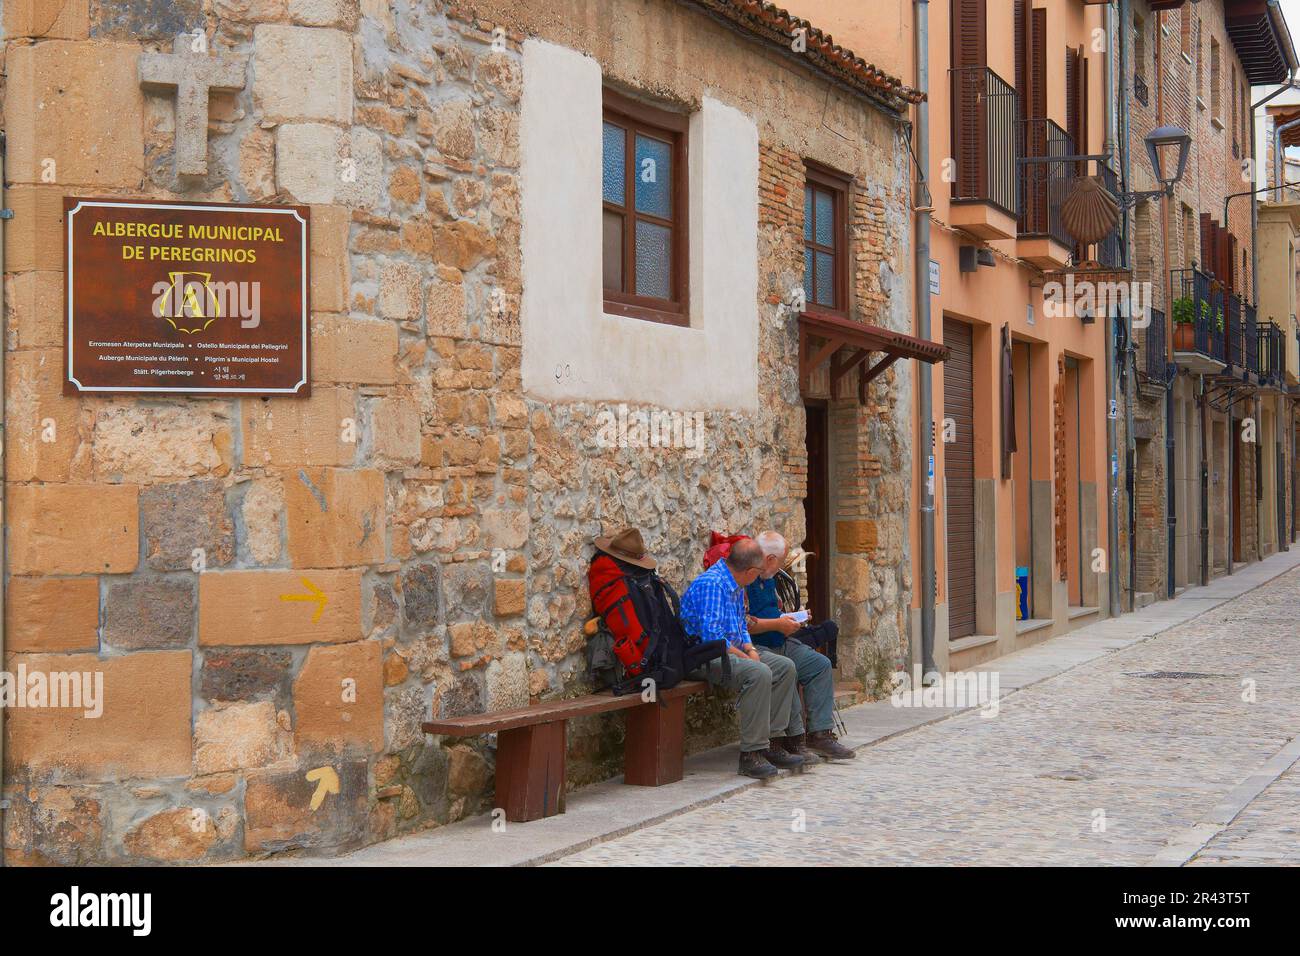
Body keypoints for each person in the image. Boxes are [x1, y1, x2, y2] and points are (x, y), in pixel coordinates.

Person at [680, 538, 804, 779]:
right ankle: (751, 754)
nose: (758, 576)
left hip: (728, 652)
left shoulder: (736, 583)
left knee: (784, 667)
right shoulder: (713, 585)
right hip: (702, 656)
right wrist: (748, 659)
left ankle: (773, 741)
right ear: (749, 571)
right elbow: (713, 639)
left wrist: (752, 651)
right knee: (758, 673)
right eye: (757, 572)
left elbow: (740, 625)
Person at [744, 530, 855, 761]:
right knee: (786, 667)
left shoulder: (769, 577)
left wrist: (792, 619)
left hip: (778, 640)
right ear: (770, 559)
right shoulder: (745, 579)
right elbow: (743, 625)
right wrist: (779, 624)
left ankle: (820, 734)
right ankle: (789, 738)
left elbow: (771, 614)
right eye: (782, 561)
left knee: (819, 664)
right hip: (755, 646)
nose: (783, 566)